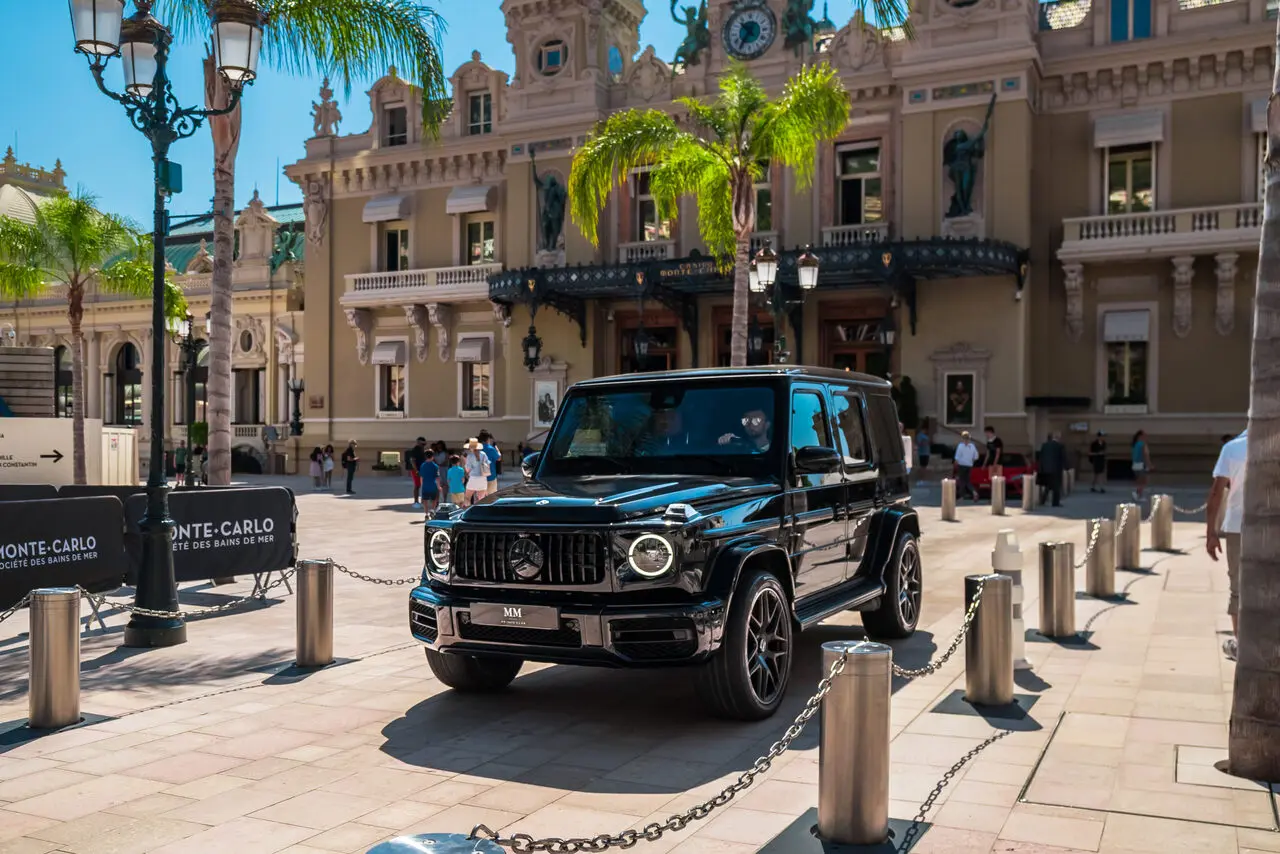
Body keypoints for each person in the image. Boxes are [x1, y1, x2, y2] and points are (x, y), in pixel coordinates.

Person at [1207, 429, 1247, 660]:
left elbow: (1216, 493)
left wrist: (1211, 532)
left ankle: (1241, 644)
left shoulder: (1232, 448)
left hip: (1238, 526)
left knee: (1238, 587)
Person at [1037, 431, 1066, 507]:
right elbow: (1062, 458)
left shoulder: (1045, 445)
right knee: (1056, 487)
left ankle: (1042, 501)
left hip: (1046, 469)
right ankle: (1055, 502)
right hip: (1056, 469)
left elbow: (1041, 457)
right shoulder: (1060, 446)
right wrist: (1066, 467)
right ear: (1058, 438)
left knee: (1047, 486)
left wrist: (1041, 468)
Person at [954, 431, 980, 501]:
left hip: (962, 465)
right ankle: (974, 492)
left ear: (962, 438)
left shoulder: (960, 446)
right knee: (967, 481)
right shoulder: (972, 446)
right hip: (969, 465)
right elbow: (976, 456)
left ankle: (961, 496)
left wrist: (955, 464)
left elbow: (957, 457)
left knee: (962, 481)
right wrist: (971, 461)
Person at [463, 438, 491, 505]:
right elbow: (488, 466)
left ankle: (468, 513)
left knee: (467, 498)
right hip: (483, 479)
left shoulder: (469, 456)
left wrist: (465, 462)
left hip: (473, 479)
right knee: (480, 500)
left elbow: (467, 470)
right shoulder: (483, 454)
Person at [406, 436, 429, 508]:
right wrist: (416, 470)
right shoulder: (415, 450)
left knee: (423, 485)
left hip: (423, 470)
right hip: (416, 470)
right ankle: (416, 501)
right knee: (417, 485)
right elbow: (412, 461)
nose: (423, 445)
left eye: (423, 444)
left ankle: (423, 500)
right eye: (421, 443)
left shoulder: (423, 450)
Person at [478, 430, 502, 495]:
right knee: (491, 497)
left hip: (479, 477)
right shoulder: (491, 448)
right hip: (491, 476)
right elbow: (499, 458)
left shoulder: (477, 449)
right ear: (488, 439)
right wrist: (496, 448)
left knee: (481, 498)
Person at [1131, 429, 1151, 501]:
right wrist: (1149, 465)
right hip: (1141, 464)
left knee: (1140, 481)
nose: (1146, 436)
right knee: (1143, 481)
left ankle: (1139, 495)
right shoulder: (1142, 444)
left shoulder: (1135, 444)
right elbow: (1146, 455)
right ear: (1141, 436)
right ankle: (1137, 494)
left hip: (1135, 464)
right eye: (1144, 435)